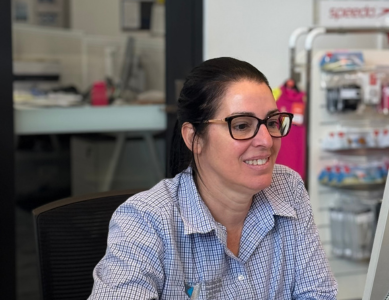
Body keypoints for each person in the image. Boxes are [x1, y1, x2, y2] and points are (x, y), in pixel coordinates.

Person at [89, 57, 337, 299]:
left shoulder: (288, 187)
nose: (267, 141)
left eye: (271, 122)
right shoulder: (147, 220)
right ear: (193, 138)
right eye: (241, 125)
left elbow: (318, 294)